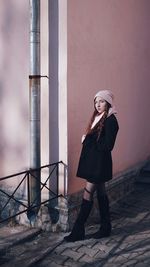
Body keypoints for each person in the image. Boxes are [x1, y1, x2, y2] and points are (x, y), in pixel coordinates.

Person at [64, 89, 119, 242]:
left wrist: (87, 140)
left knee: (87, 194)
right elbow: (98, 140)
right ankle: (105, 227)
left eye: (101, 101)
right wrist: (88, 138)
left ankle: (78, 230)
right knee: (101, 193)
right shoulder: (98, 117)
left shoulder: (111, 120)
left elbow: (107, 145)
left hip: (98, 166)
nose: (98, 104)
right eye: (96, 101)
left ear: (108, 103)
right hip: (96, 164)